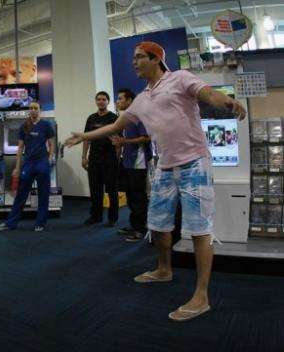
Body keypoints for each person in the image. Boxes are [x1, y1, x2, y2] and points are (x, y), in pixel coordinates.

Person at [64, 41, 246, 321]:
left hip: (195, 163)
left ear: (156, 59)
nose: (134, 62)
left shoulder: (179, 79)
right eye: (134, 58)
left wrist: (227, 101)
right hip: (164, 167)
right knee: (158, 223)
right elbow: (115, 126)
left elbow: (208, 94)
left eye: (139, 57)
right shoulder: (141, 99)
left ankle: (202, 296)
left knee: (199, 230)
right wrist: (84, 137)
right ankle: (164, 269)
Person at [0, 102, 55, 232]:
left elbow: (51, 144)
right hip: (28, 163)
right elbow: (20, 148)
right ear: (29, 110)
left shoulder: (46, 125)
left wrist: (49, 159)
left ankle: (40, 223)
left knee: (43, 194)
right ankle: (11, 223)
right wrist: (17, 167)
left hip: (42, 162)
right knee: (21, 194)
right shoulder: (24, 126)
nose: (33, 110)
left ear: (40, 110)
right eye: (31, 108)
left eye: (36, 108)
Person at [110, 88, 152, 242]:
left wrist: (124, 141)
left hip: (138, 163)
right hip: (127, 162)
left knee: (138, 197)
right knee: (130, 196)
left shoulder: (138, 116)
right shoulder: (126, 117)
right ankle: (135, 226)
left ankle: (140, 229)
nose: (118, 101)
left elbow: (146, 138)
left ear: (129, 100)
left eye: (121, 98)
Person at [82, 91, 120, 227]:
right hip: (94, 159)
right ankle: (96, 216)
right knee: (95, 190)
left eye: (104, 99)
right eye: (98, 99)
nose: (101, 101)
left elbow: (118, 140)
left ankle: (112, 218)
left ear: (108, 101)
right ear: (96, 101)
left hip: (110, 159)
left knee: (111, 190)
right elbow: (86, 139)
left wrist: (117, 158)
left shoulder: (114, 118)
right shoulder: (91, 118)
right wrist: (84, 157)